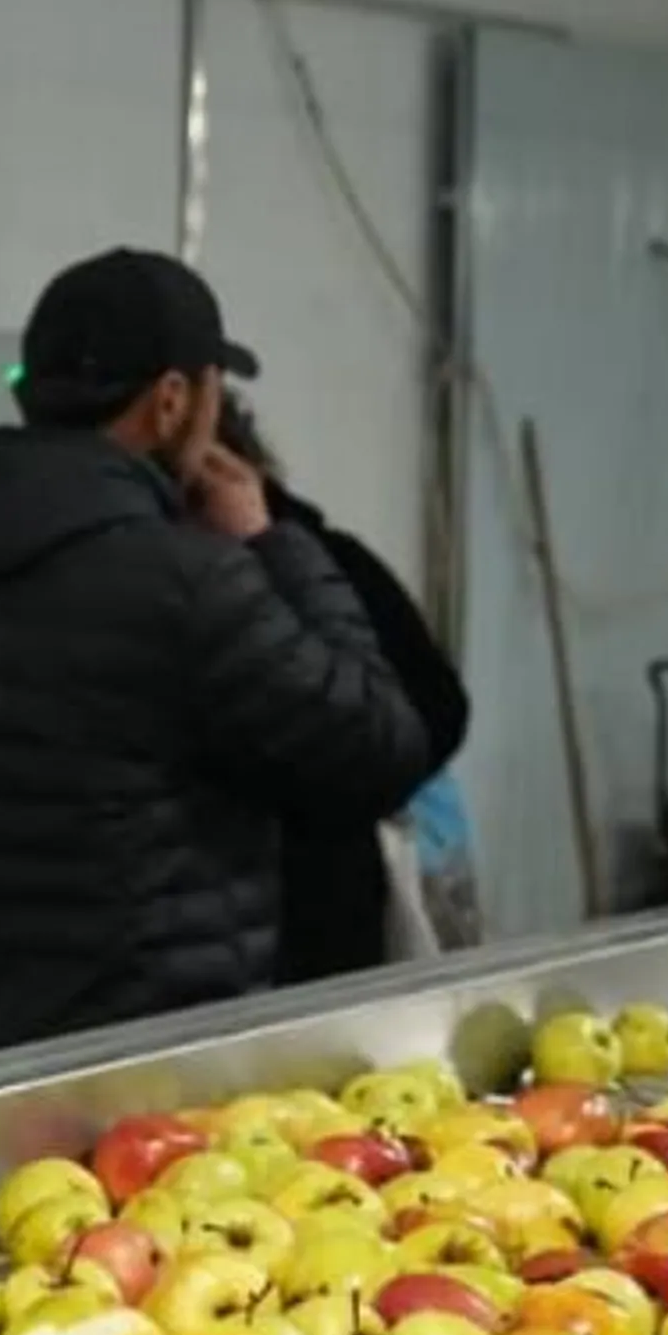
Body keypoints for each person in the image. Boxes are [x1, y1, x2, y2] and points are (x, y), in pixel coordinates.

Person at [0, 249, 435, 1065]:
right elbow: (378, 748)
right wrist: (271, 542)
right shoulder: (187, 583)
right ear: (171, 402)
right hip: (141, 1078)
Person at [215, 397, 471, 982]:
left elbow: (436, 707)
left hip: (316, 903)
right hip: (291, 913)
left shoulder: (322, 561)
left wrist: (343, 785)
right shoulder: (318, 560)